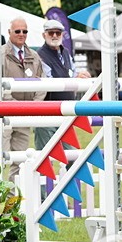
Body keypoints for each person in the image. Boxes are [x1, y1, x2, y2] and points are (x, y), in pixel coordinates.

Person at [0, 18, 44, 179]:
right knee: (0, 158)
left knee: (20, 160)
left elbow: (42, 82)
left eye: (24, 31)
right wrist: (16, 106)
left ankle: (13, 200)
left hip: (25, 115)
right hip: (4, 114)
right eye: (17, 31)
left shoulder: (34, 56)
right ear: (9, 32)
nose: (21, 34)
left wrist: (33, 107)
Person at [35, 19, 85, 150]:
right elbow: (50, 80)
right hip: (47, 112)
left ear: (62, 34)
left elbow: (73, 73)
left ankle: (75, 171)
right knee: (44, 156)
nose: (55, 36)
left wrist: (80, 76)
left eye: (58, 33)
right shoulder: (39, 55)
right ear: (44, 35)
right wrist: (75, 78)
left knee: (72, 155)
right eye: (51, 33)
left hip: (66, 111)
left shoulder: (66, 53)